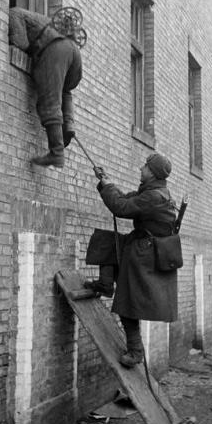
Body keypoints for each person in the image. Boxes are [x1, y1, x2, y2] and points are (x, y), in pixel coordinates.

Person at [86, 153, 178, 368]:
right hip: (140, 246)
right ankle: (105, 284)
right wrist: (106, 182)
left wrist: (107, 187)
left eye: (145, 166)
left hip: (145, 255)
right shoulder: (152, 192)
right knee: (107, 242)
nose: (140, 168)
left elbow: (122, 208)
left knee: (127, 305)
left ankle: (136, 351)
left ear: (153, 172)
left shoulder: (155, 197)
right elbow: (125, 199)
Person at [9, 6, 86, 168]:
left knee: (49, 100)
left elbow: (15, 17)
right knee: (64, 90)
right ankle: (68, 125)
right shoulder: (48, 25)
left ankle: (57, 153)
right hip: (74, 55)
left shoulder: (23, 15)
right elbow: (68, 86)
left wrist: (21, 47)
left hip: (56, 50)